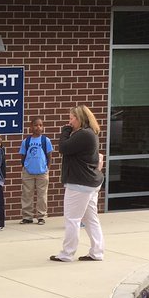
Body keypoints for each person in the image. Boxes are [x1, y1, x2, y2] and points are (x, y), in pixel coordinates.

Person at [50, 104, 104, 263]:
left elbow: (63, 148)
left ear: (80, 118)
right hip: (88, 183)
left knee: (72, 219)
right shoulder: (88, 133)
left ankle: (67, 254)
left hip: (80, 184)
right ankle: (97, 252)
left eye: (72, 118)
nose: (70, 121)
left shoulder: (84, 134)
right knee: (90, 219)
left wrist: (65, 131)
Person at [19, 117, 53, 224]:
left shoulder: (45, 140)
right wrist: (25, 166)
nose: (38, 127)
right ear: (31, 127)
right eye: (36, 125)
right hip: (28, 171)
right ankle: (27, 216)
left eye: (40, 125)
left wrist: (47, 168)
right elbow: (23, 156)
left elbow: (49, 155)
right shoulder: (26, 141)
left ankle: (41, 216)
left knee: (42, 195)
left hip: (42, 172)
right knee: (26, 194)